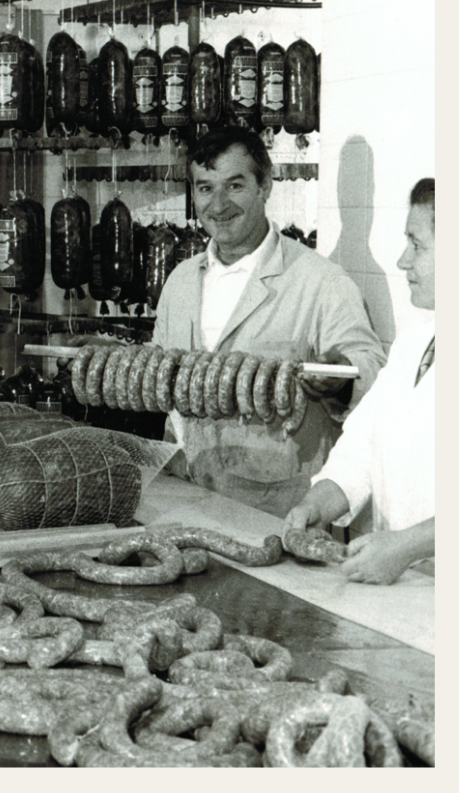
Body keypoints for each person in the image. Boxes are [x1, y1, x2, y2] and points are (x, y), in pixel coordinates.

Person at [149, 128, 387, 516]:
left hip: (276, 507)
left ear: (265, 186)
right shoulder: (180, 282)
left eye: (235, 185)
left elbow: (373, 374)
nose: (219, 204)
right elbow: (156, 371)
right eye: (206, 188)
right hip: (184, 491)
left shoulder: (321, 281)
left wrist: (341, 379)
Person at [283, 179, 435, 584]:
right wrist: (316, 506)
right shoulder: (417, 338)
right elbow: (362, 447)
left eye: (417, 246)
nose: (404, 261)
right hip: (405, 588)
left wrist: (408, 546)